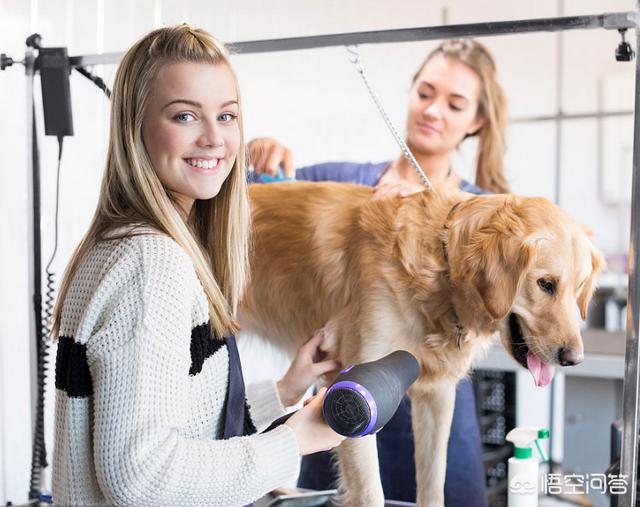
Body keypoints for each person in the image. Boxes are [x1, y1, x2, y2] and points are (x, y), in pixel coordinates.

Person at [51, 24, 345, 507]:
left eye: (226, 116)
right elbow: (141, 476)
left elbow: (180, 423)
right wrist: (296, 440)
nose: (214, 138)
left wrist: (286, 390)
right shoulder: (152, 263)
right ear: (135, 125)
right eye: (185, 115)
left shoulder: (119, 244)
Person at [248, 38, 509, 506]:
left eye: (454, 104)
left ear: (476, 122)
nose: (433, 111)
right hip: (347, 404)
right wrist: (261, 156)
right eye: (425, 93)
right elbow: (258, 201)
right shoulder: (347, 182)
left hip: (438, 412)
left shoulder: (482, 217)